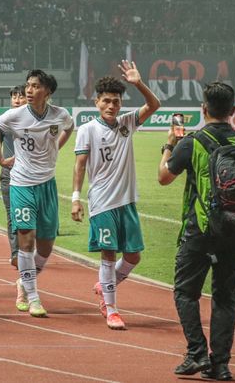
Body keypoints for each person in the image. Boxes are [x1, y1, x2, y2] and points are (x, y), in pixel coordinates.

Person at [159, 81, 235, 380]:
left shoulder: (192, 142)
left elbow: (163, 177)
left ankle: (197, 353)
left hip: (201, 229)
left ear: (203, 109)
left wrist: (169, 145)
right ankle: (221, 364)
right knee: (226, 296)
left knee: (186, 292)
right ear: (233, 111)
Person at [71, 61, 160, 330]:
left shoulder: (127, 123)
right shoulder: (87, 129)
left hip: (127, 201)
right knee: (108, 256)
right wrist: (76, 198)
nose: (112, 106)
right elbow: (80, 165)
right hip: (102, 203)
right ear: (96, 101)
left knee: (134, 257)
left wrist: (138, 83)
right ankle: (111, 309)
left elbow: (154, 105)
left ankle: (104, 285)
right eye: (107, 101)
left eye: (117, 101)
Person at [0, 70, 73, 318]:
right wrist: (2, 159)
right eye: (28, 86)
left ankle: (24, 281)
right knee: (26, 238)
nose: (29, 90)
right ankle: (33, 297)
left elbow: (70, 126)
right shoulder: (15, 115)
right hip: (21, 184)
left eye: (35, 86)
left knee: (45, 246)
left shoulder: (60, 115)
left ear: (48, 91)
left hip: (47, 185)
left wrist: (56, 147)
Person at [0, 85, 26, 268]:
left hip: (30, 175)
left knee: (30, 217)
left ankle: (26, 250)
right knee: (12, 215)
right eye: (14, 97)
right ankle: (15, 253)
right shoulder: (3, 121)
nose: (17, 100)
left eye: (21, 96)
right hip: (8, 173)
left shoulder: (31, 120)